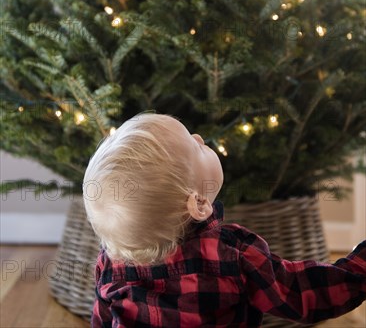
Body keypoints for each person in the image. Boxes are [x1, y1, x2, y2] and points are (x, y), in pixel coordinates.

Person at [83, 112, 366, 327]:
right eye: (195, 147)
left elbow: (101, 319)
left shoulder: (110, 264)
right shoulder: (231, 254)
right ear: (199, 204)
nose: (199, 138)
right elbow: (302, 293)